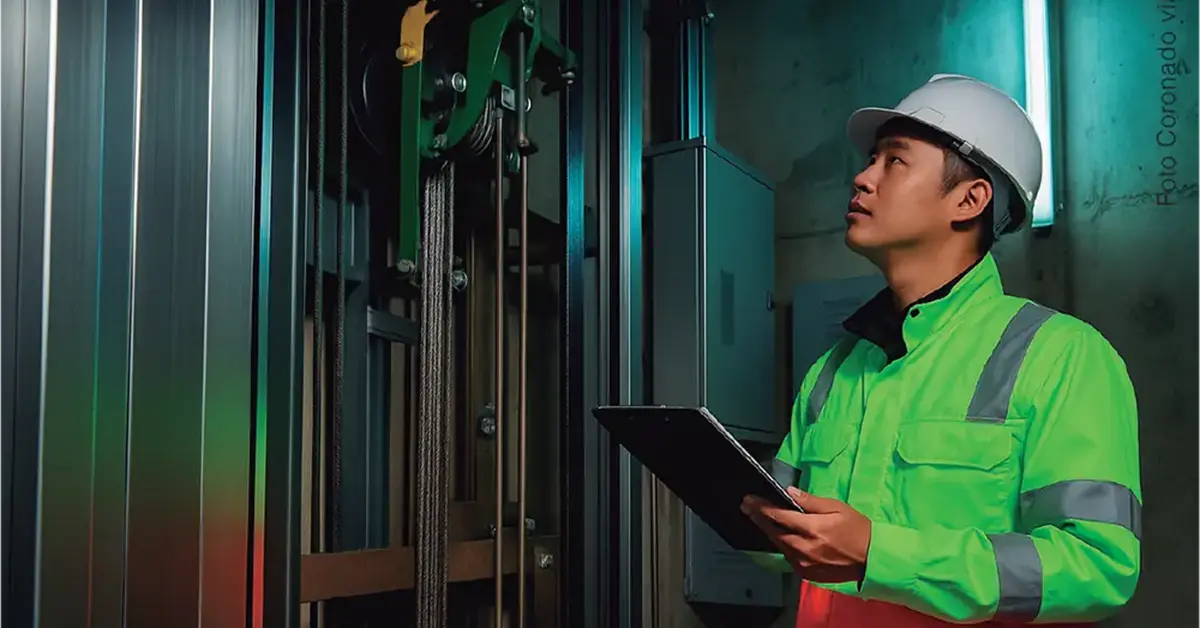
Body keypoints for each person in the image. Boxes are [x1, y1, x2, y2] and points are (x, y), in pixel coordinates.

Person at [740, 74, 1141, 627]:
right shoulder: (835, 369)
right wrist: (737, 506)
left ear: (970, 199)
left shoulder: (1063, 357)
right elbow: (779, 537)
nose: (862, 177)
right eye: (871, 159)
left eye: (894, 161)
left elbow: (1097, 567)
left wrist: (879, 554)